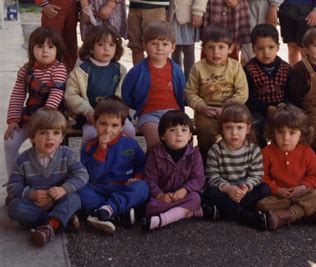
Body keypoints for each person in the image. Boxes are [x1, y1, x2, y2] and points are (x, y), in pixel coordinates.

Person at [7, 108, 88, 247]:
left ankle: (49, 227)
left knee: (75, 198)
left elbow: (82, 174)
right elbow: (13, 186)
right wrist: (31, 194)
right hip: (35, 205)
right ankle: (60, 221)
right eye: (43, 133)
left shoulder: (67, 154)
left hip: (59, 200)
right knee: (14, 208)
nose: (50, 138)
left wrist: (64, 189)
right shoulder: (23, 160)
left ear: (62, 137)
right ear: (32, 137)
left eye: (56, 133)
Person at [79, 97, 149, 233]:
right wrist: (101, 149)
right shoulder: (89, 148)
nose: (108, 130)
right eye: (103, 124)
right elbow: (92, 175)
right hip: (98, 188)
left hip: (123, 187)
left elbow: (141, 165)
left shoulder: (130, 144)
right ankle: (115, 214)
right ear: (95, 123)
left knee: (143, 187)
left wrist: (138, 177)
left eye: (114, 125)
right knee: (81, 191)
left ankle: (104, 212)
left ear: (122, 126)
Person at [4, 27, 67, 175]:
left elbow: (56, 94)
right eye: (40, 46)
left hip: (51, 119)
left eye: (50, 47)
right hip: (29, 115)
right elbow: (18, 95)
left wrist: (41, 120)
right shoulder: (26, 70)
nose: (45, 51)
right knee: (9, 142)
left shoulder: (58, 69)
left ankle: (50, 178)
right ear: (31, 48)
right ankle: (14, 180)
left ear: (58, 50)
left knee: (46, 148)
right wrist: (13, 119)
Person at [256, 105, 316, 230]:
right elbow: (262, 177)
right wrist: (277, 190)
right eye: (280, 132)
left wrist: (304, 187)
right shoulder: (267, 152)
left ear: (301, 134)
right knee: (262, 204)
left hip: (302, 194)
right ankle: (309, 214)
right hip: (279, 197)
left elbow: (313, 176)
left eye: (292, 133)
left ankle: (288, 215)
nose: (286, 138)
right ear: (273, 132)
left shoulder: (307, 152)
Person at [185, 25, 249, 163]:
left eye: (221, 47)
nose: (216, 52)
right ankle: (206, 164)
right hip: (206, 109)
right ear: (204, 48)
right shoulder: (198, 68)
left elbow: (242, 92)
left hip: (232, 108)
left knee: (238, 130)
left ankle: (236, 163)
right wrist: (202, 107)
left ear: (230, 49)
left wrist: (226, 108)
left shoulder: (235, 67)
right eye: (211, 47)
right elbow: (190, 93)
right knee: (206, 131)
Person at [202, 103, 270, 230]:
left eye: (239, 128)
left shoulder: (254, 150)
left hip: (244, 193)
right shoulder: (215, 150)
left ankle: (224, 212)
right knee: (211, 192)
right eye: (229, 128)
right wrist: (228, 188)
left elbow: (257, 175)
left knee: (264, 189)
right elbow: (212, 176)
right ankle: (246, 217)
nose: (234, 133)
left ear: (248, 129)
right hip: (225, 192)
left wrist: (245, 187)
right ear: (221, 129)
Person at [64, 25, 135, 143]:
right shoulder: (81, 71)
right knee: (90, 134)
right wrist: (87, 110)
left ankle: (127, 157)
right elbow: (71, 96)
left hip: (115, 115)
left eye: (111, 45)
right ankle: (88, 160)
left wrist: (120, 110)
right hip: (90, 117)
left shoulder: (120, 70)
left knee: (129, 130)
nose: (106, 49)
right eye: (101, 45)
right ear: (91, 48)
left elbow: (124, 93)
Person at [122, 22, 185, 150]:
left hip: (173, 113)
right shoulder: (138, 71)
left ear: (173, 47)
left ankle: (177, 169)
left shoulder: (177, 70)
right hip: (149, 115)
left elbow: (183, 92)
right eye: (154, 44)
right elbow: (126, 93)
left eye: (165, 44)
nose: (159, 48)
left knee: (179, 142)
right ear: (145, 45)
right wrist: (137, 106)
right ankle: (152, 168)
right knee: (155, 143)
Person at [142, 111, 205, 231]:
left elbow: (198, 178)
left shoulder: (194, 154)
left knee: (195, 198)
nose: (179, 134)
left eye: (184, 130)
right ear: (162, 136)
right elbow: (150, 180)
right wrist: (160, 195)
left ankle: (162, 220)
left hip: (184, 195)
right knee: (150, 206)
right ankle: (190, 212)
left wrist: (185, 190)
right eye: (172, 130)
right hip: (164, 196)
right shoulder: (155, 155)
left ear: (191, 135)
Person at [244, 24, 291, 148]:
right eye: (260, 48)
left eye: (271, 47)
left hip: (282, 109)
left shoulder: (286, 68)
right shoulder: (249, 69)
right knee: (255, 125)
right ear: (253, 49)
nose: (266, 52)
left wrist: (284, 104)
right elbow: (249, 99)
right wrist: (266, 108)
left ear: (278, 47)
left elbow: (290, 93)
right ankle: (261, 155)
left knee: (291, 123)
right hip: (258, 110)